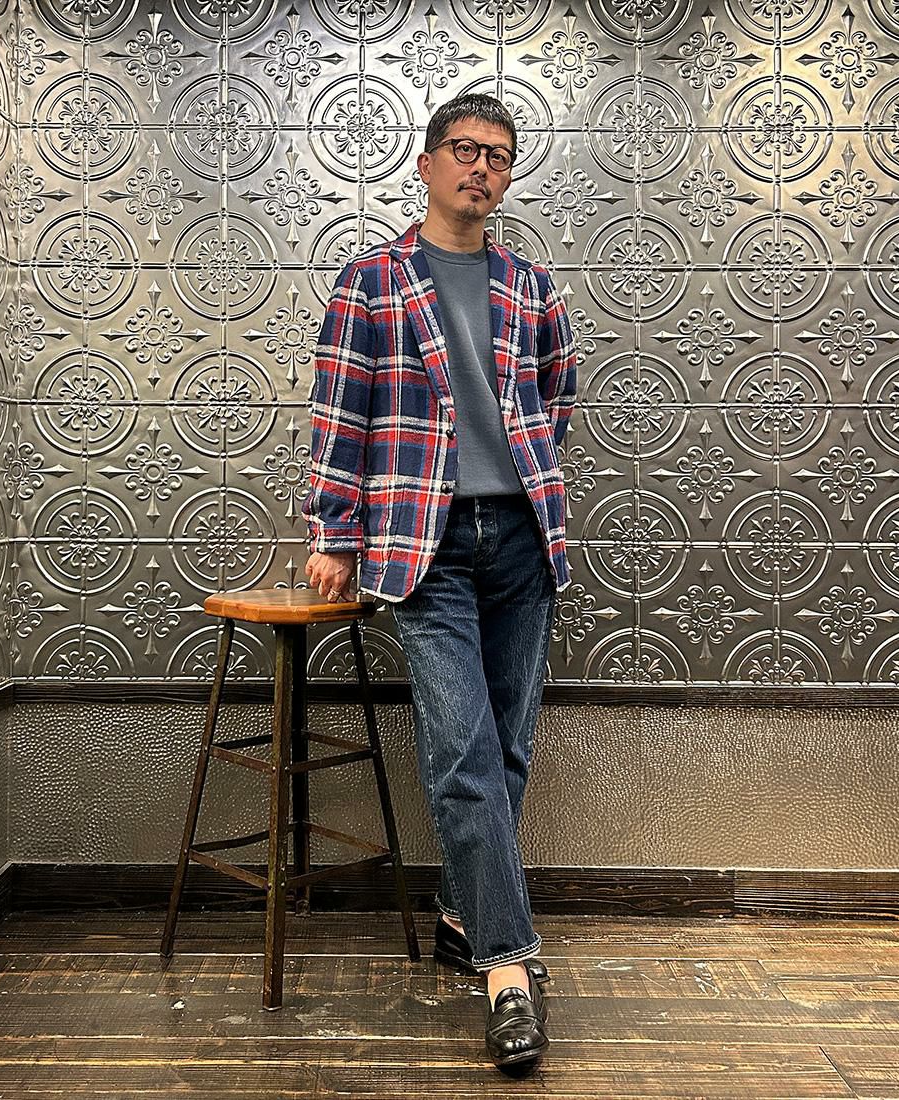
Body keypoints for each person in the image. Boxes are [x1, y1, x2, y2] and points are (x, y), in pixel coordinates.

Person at [301, 92, 577, 1071]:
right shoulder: (371, 281)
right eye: (464, 149)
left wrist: (525, 472)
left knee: (506, 747)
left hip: (522, 540)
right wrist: (334, 530)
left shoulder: (531, 285)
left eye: (498, 156)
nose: (481, 168)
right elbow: (340, 413)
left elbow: (555, 396)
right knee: (463, 749)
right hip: (424, 543)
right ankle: (508, 971)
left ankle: (463, 915)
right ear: (425, 164)